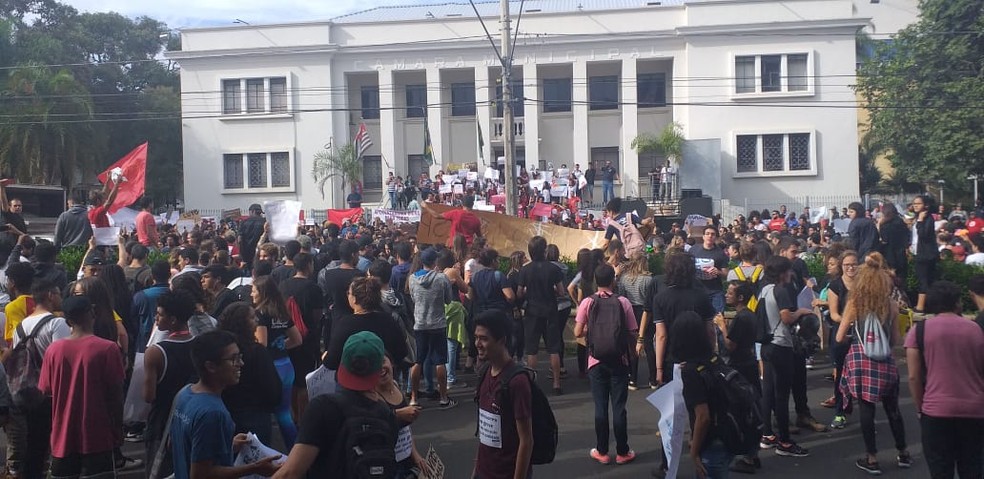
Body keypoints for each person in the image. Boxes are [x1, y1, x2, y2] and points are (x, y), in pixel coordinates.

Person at [272, 331, 396, 478]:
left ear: (342, 365)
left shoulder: (323, 407)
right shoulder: (387, 415)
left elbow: (290, 473)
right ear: (379, 370)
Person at [835, 253, 909, 475]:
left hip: (860, 357)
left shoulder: (854, 303)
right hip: (884, 358)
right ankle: (903, 453)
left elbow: (839, 337)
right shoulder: (891, 305)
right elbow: (896, 339)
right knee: (892, 408)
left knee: (866, 409)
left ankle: (872, 458)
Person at [170, 330, 281, 479]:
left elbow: (176, 445)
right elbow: (200, 475)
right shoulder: (213, 413)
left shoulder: (184, 394)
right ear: (211, 366)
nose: (240, 363)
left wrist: (227, 447)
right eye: (234, 359)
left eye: (240, 357)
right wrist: (254, 468)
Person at [39, 296, 125, 479]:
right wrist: (118, 428)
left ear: (67, 320)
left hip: (62, 437)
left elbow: (46, 391)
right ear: (92, 314)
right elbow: (116, 394)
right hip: (98, 436)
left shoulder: (53, 350)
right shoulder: (108, 349)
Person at [905, 281, 984, 479]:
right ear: (957, 303)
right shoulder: (975, 329)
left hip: (935, 410)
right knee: (972, 469)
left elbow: (913, 376)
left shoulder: (919, 331)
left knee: (940, 470)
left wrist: (919, 407)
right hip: (974, 410)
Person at [574, 264, 638, 466]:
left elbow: (577, 332)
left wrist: (592, 337)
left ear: (595, 280)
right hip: (619, 361)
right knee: (619, 407)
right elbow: (632, 332)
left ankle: (602, 451)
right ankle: (622, 451)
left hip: (596, 361)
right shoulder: (623, 302)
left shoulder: (587, 302)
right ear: (613, 280)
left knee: (600, 406)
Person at [5, 280, 69, 479]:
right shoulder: (56, 323)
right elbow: (62, 359)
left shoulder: (21, 327)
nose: (60, 297)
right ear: (50, 295)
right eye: (58, 293)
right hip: (49, 391)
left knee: (34, 441)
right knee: (51, 441)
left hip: (25, 390)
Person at [758, 256, 812, 457]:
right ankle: (785, 442)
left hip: (766, 344)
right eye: (789, 271)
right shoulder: (780, 290)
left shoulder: (764, 289)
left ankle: (767, 435)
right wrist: (801, 312)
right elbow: (787, 317)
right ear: (782, 273)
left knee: (769, 390)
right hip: (781, 344)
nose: (791, 274)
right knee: (781, 395)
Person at [472, 309, 534, 479]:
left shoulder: (517, 382)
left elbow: (526, 440)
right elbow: (485, 434)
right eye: (476, 337)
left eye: (484, 339)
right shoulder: (485, 372)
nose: (478, 343)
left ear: (502, 340)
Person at [143, 289, 198, 478]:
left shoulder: (156, 352)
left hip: (162, 423)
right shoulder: (201, 346)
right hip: (192, 420)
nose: (156, 318)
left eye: (159, 314)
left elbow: (149, 396)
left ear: (173, 320)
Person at [674, 312, 734, 478]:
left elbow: (703, 416)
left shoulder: (691, 372)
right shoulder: (714, 359)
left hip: (711, 442)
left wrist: (694, 452)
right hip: (727, 433)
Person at [218, 302, 282, 446]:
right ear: (242, 323)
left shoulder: (219, 349)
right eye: (253, 318)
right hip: (255, 417)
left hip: (226, 413)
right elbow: (273, 389)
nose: (257, 321)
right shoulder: (257, 352)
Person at [252, 275, 302, 450]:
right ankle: (296, 454)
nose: (251, 294)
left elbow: (261, 344)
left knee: (262, 413)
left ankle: (262, 454)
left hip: (270, 369)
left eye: (254, 290)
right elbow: (297, 340)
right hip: (287, 366)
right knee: (284, 415)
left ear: (262, 292)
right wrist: (280, 345)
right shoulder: (281, 311)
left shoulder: (260, 314)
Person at [718, 281, 762, 474]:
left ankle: (748, 455)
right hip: (750, 364)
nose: (727, 295)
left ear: (740, 298)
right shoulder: (750, 316)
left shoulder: (741, 318)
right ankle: (752, 454)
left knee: (742, 411)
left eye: (730, 293)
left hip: (740, 367)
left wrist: (722, 327)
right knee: (751, 408)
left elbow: (730, 345)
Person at [323, 277, 408, 376]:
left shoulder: (345, 324)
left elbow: (331, 362)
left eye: (349, 293)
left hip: (352, 380)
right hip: (382, 377)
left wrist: (325, 357)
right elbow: (401, 352)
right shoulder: (388, 320)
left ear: (354, 299)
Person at [516, 236, 566, 395]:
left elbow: (519, 292)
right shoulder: (553, 269)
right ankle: (557, 383)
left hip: (532, 311)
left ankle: (531, 383)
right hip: (551, 310)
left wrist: (526, 292)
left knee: (532, 349)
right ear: (544, 250)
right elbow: (561, 291)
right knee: (553, 348)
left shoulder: (525, 269)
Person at [408, 248, 456, 409]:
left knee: (418, 361)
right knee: (440, 361)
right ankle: (443, 397)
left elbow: (414, 298)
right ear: (435, 261)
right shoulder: (442, 279)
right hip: (438, 324)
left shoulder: (412, 279)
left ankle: (414, 397)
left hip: (420, 323)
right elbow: (449, 300)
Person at [279, 252, 324, 421]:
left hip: (287, 337)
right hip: (307, 339)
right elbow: (317, 315)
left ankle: (294, 416)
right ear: (309, 265)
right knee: (304, 381)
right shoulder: (313, 288)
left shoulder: (283, 285)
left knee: (291, 380)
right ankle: (304, 418)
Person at [376, 355, 430, 479]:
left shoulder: (395, 385)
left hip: (407, 460)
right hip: (390, 466)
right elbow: (377, 423)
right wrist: (398, 413)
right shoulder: (373, 395)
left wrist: (416, 456)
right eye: (375, 365)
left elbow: (406, 430)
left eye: (383, 361)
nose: (381, 368)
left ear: (391, 362)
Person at [617, 253, 656, 390]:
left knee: (631, 346)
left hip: (630, 311)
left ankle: (633, 378)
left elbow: (621, 297)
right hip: (646, 312)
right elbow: (652, 299)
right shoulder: (649, 279)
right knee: (649, 344)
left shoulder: (624, 278)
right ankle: (653, 378)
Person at [691, 226, 729, 313]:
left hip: (715, 291)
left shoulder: (720, 253)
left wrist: (718, 272)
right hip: (697, 290)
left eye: (712, 234)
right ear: (703, 236)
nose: (710, 236)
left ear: (716, 237)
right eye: (707, 234)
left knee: (717, 319)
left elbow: (726, 274)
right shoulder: (694, 250)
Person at [911, 195, 938, 313]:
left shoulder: (928, 218)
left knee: (924, 280)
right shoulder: (917, 217)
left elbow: (923, 235)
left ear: (926, 205)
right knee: (924, 279)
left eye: (918, 203)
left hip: (926, 254)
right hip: (918, 252)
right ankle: (928, 305)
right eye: (914, 203)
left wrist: (920, 221)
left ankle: (921, 307)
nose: (915, 205)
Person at [238, 204, 266, 268]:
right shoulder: (265, 222)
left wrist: (241, 254)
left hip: (247, 253)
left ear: (252, 211)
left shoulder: (243, 222)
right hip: (261, 252)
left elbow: (239, 239)